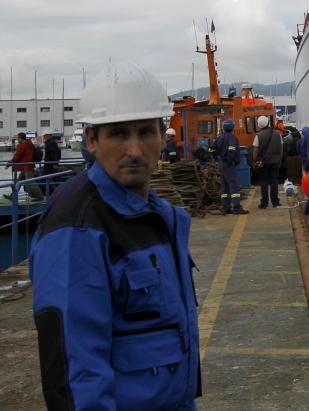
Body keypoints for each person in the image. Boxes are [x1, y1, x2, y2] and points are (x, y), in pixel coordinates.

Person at [29, 62, 201, 409]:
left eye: (146, 132)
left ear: (162, 134)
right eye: (118, 134)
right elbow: (75, 372)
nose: (135, 150)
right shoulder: (76, 228)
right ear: (92, 140)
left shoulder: (157, 215)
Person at [212, 119, 248, 215]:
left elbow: (211, 149)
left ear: (223, 128)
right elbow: (231, 150)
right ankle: (237, 207)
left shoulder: (219, 138)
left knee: (224, 187)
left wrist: (217, 158)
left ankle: (226, 207)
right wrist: (231, 161)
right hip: (228, 165)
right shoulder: (232, 138)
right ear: (233, 128)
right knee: (234, 185)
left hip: (221, 164)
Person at [253, 115, 283, 208]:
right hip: (275, 162)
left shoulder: (258, 136)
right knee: (274, 181)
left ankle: (264, 202)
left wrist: (255, 161)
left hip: (263, 163)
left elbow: (255, 151)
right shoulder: (278, 134)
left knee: (264, 182)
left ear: (259, 125)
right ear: (268, 123)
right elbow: (281, 148)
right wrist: (279, 159)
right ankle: (275, 202)